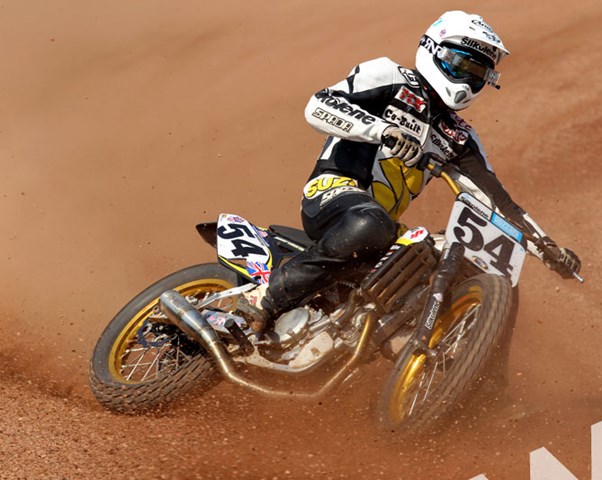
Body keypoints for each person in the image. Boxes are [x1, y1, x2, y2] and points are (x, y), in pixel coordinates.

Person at [240, 10, 581, 333]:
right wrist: (383, 131)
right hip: (333, 194)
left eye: (477, 73)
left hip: (382, 229)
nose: (465, 78)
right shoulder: (389, 76)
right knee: (372, 223)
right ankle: (266, 299)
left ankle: (472, 373)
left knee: (459, 260)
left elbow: (498, 203)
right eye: (460, 64)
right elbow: (319, 105)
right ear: (433, 49)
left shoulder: (460, 137)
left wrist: (547, 248)